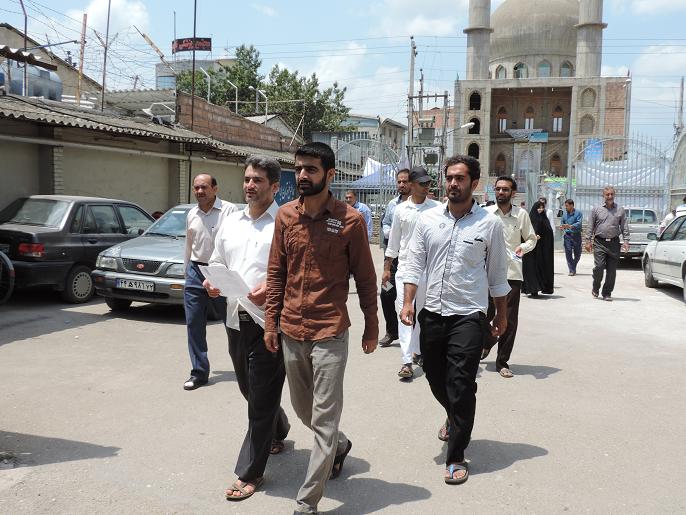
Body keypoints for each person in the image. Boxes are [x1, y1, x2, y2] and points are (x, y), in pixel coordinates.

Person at [264, 142, 378, 514]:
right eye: (299, 168)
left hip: (330, 330)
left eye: (310, 169)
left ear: (329, 174)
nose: (302, 175)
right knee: (304, 410)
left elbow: (365, 278)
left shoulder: (349, 220)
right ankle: (340, 446)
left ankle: (307, 502)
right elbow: (276, 273)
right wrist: (270, 323)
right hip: (291, 329)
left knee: (324, 417)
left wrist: (372, 325)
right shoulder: (285, 216)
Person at [400, 155, 510, 485]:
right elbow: (414, 263)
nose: (453, 183)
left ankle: (457, 454)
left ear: (474, 183)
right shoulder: (428, 220)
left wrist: (501, 315)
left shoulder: (489, 224)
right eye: (449, 177)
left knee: (461, 384)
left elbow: (497, 274)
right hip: (432, 311)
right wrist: (408, 302)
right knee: (435, 377)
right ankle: (453, 415)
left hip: (469, 314)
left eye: (460, 178)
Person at [202, 156, 290, 501]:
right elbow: (217, 260)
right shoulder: (231, 221)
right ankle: (278, 427)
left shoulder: (284, 222)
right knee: (249, 389)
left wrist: (272, 287)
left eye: (258, 180)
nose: (250, 185)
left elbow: (298, 269)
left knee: (260, 399)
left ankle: (250, 472)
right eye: (247, 179)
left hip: (269, 322)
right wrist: (213, 281)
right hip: (235, 317)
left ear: (275, 186)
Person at [383, 166, 439, 379]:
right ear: (412, 185)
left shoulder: (437, 208)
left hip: (428, 270)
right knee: (405, 312)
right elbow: (393, 242)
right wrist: (386, 268)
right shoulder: (400, 210)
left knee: (423, 313)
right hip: (406, 269)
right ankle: (406, 361)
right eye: (422, 183)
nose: (426, 187)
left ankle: (418, 351)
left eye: (428, 183)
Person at [183, 174, 236, 390]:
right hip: (196, 270)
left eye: (204, 187)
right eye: (196, 188)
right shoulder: (192, 213)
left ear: (215, 189)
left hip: (221, 271)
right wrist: (186, 271)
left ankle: (244, 366)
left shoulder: (229, 211)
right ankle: (199, 372)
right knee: (194, 323)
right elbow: (189, 244)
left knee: (232, 323)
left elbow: (235, 243)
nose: (199, 191)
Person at [482, 176, 537, 378]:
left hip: (512, 273)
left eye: (505, 189)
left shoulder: (521, 215)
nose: (501, 192)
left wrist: (522, 248)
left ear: (513, 193)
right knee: (480, 315)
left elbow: (531, 238)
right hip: (486, 273)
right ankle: (487, 340)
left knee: (509, 319)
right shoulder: (486, 213)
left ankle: (502, 362)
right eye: (498, 189)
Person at [379, 169, 411, 347]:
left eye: (405, 181)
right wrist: (389, 232)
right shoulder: (392, 204)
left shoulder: (419, 205)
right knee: (386, 293)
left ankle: (414, 339)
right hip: (392, 261)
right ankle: (392, 331)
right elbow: (385, 222)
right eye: (399, 181)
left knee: (410, 298)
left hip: (411, 261)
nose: (401, 185)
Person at [585, 186, 629, 301]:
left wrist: (626, 241)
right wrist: (588, 241)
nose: (610, 196)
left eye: (612, 194)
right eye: (607, 194)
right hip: (599, 242)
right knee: (599, 267)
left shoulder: (620, 210)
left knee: (611, 271)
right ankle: (595, 287)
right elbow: (590, 226)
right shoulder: (596, 209)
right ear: (603, 196)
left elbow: (624, 226)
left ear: (614, 195)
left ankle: (607, 293)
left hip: (614, 243)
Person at [522, 201, 554, 296]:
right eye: (539, 207)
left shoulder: (544, 219)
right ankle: (533, 289)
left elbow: (548, 232)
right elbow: (525, 232)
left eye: (542, 207)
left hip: (542, 249)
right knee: (532, 268)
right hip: (532, 250)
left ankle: (541, 287)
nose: (541, 209)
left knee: (541, 268)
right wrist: (534, 236)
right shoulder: (530, 219)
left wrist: (542, 236)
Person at [560, 199, 583, 275]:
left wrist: (570, 226)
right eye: (565, 206)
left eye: (567, 206)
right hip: (567, 236)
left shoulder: (578, 213)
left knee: (578, 254)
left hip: (576, 235)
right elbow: (562, 222)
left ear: (572, 205)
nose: (565, 207)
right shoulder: (564, 214)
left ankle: (573, 266)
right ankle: (571, 270)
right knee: (568, 252)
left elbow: (579, 223)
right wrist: (562, 227)